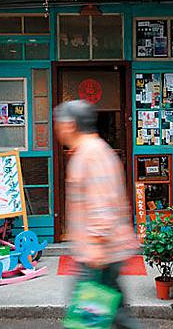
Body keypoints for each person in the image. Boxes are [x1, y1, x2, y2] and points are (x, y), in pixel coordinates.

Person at [54, 100, 140, 329]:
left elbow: (102, 202)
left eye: (59, 123)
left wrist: (96, 243)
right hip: (103, 250)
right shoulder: (93, 151)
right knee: (115, 316)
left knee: (87, 321)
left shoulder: (91, 154)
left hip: (98, 253)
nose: (57, 129)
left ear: (70, 125)